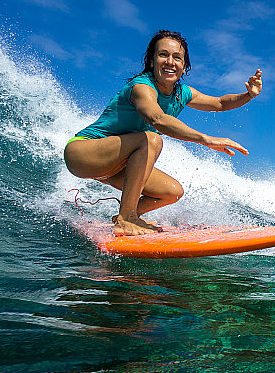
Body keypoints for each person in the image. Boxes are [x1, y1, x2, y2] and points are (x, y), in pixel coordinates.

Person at [64, 30, 261, 236]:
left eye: (177, 57)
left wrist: (248, 95)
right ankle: (126, 219)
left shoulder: (182, 93)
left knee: (172, 192)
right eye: (163, 55)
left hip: (114, 165)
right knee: (151, 140)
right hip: (83, 152)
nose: (170, 61)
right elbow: (157, 119)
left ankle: (125, 215)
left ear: (184, 66)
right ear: (151, 61)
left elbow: (219, 103)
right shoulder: (141, 87)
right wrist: (206, 140)